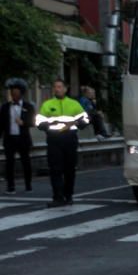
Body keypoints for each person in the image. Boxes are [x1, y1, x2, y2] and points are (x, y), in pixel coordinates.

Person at [36, 79, 88, 207]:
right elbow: (39, 122)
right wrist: (48, 125)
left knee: (69, 169)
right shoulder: (47, 104)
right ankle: (58, 197)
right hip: (54, 140)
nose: (57, 89)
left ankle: (68, 195)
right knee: (55, 169)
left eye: (59, 87)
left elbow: (85, 119)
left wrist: (78, 123)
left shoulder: (74, 104)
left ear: (66, 89)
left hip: (70, 139)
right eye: (55, 87)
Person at [1, 77, 35, 194]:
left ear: (21, 93)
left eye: (16, 93)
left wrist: (23, 123)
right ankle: (11, 186)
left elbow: (32, 123)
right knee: (9, 163)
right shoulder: (5, 107)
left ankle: (28, 185)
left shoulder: (28, 107)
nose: (13, 95)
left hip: (23, 139)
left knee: (26, 162)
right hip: (9, 139)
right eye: (12, 93)